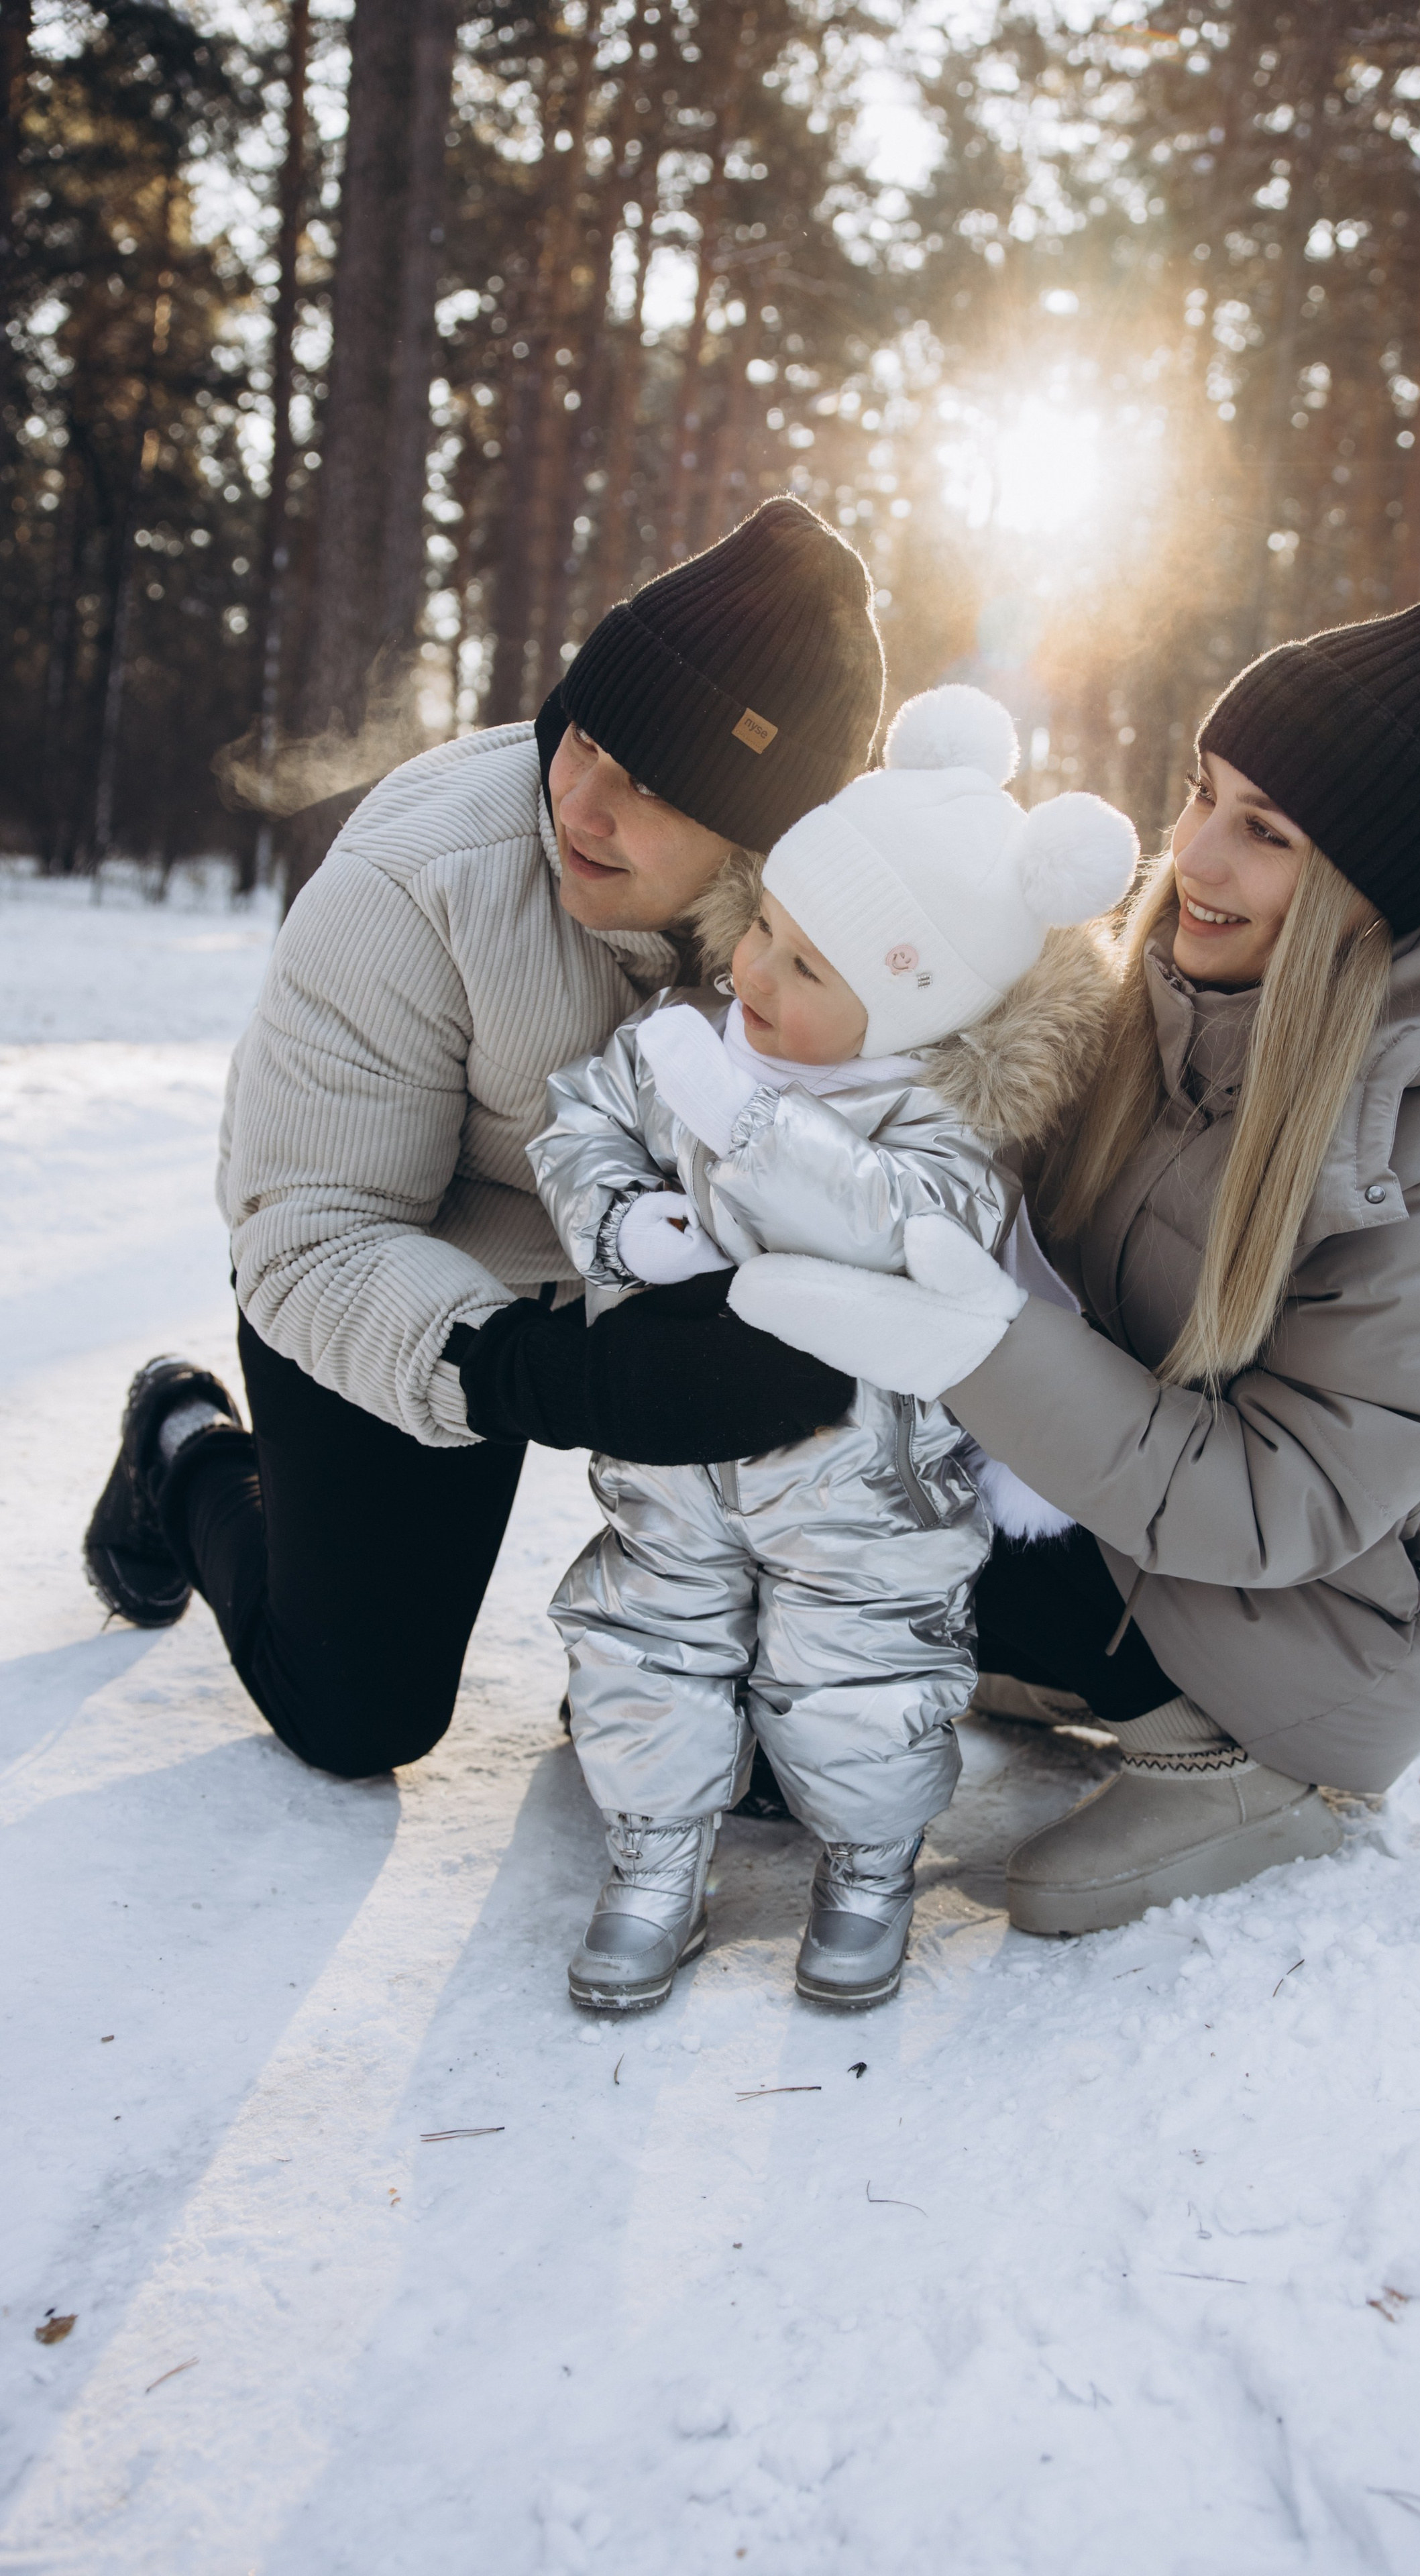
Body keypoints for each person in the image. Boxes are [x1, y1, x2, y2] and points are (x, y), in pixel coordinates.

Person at [730, 569, 1420, 1932]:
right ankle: (1030, 1657)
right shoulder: (1164, 1005)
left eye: (1265, 832)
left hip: (1319, 1627)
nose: (1190, 855)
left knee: (1037, 1890)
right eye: (1199, 793)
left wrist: (982, 1347)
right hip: (1122, 1522)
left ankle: (1245, 1769)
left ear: (1369, 889)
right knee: (775, 1620)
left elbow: (1275, 1505)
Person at [81, 500, 884, 1779]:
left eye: (656, 787)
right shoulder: (418, 878)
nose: (586, 801)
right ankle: (182, 1447)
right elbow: (307, 1232)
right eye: (589, 740)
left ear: (768, 841)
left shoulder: (851, 928)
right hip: (412, 1269)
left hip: (664, 1270)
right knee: (359, 1713)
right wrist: (545, 1376)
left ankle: (660, 1657)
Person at [527, 686, 1136, 2010]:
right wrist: (628, 1225)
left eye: (806, 970)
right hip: (675, 1469)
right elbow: (578, 1127)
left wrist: (742, 1132)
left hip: (866, 1493)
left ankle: (865, 1862)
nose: (750, 975)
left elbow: (895, 1224)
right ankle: (651, 1855)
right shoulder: (694, 1045)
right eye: (762, 931)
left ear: (917, 1011)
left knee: (864, 1677)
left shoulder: (939, 1126)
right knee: (645, 1642)